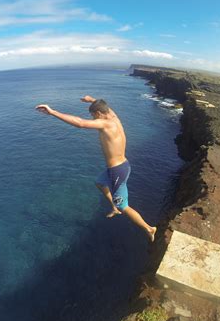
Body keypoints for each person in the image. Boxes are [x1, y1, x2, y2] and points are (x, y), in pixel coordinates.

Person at [35, 95, 157, 242]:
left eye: (93, 116)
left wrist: (52, 112)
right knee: (99, 183)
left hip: (117, 171)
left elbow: (80, 123)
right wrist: (92, 100)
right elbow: (106, 107)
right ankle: (114, 208)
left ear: (99, 114)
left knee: (124, 206)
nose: (93, 119)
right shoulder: (114, 118)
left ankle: (149, 228)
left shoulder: (106, 124)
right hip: (121, 165)